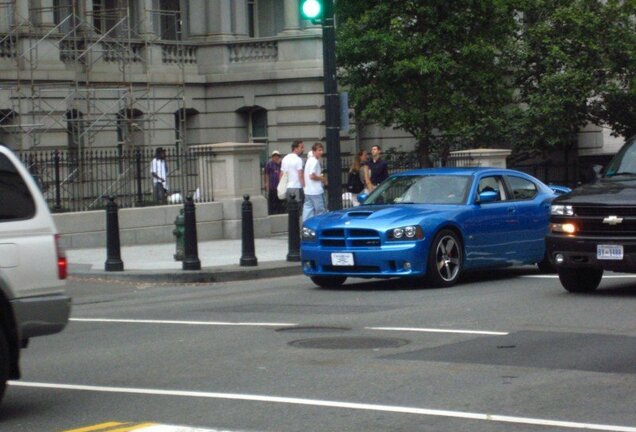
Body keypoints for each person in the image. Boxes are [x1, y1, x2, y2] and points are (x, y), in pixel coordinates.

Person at [302, 142, 328, 221]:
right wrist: (322, 179)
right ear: (313, 151)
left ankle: (306, 227)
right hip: (316, 191)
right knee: (320, 211)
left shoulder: (309, 161)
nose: (321, 152)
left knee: (308, 210)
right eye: (319, 150)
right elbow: (312, 175)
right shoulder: (314, 161)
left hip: (308, 191)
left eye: (322, 150)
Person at [281, 139, 305, 204]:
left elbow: (281, 174)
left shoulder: (285, 159)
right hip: (297, 187)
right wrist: (304, 186)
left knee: (291, 208)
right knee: (298, 208)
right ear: (295, 148)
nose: (303, 149)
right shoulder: (298, 160)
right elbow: (300, 175)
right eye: (301, 147)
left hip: (287, 187)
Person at [264, 150, 284, 214]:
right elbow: (266, 174)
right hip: (272, 185)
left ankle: (280, 212)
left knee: (280, 200)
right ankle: (272, 212)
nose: (276, 157)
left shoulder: (282, 164)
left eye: (277, 156)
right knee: (272, 200)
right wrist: (267, 183)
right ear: (272, 157)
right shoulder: (269, 164)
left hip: (280, 186)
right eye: (274, 156)